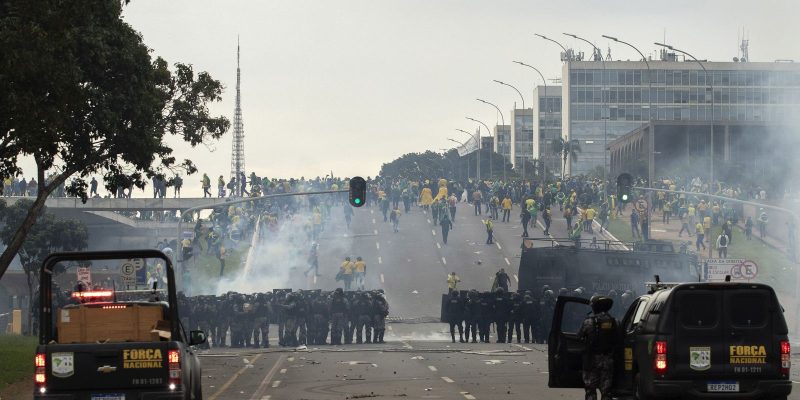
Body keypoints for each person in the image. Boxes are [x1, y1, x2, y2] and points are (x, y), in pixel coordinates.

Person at [577, 296, 618, 400]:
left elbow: (579, 336)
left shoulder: (589, 322)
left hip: (591, 360)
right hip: (608, 360)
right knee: (607, 391)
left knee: (590, 390)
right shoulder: (614, 321)